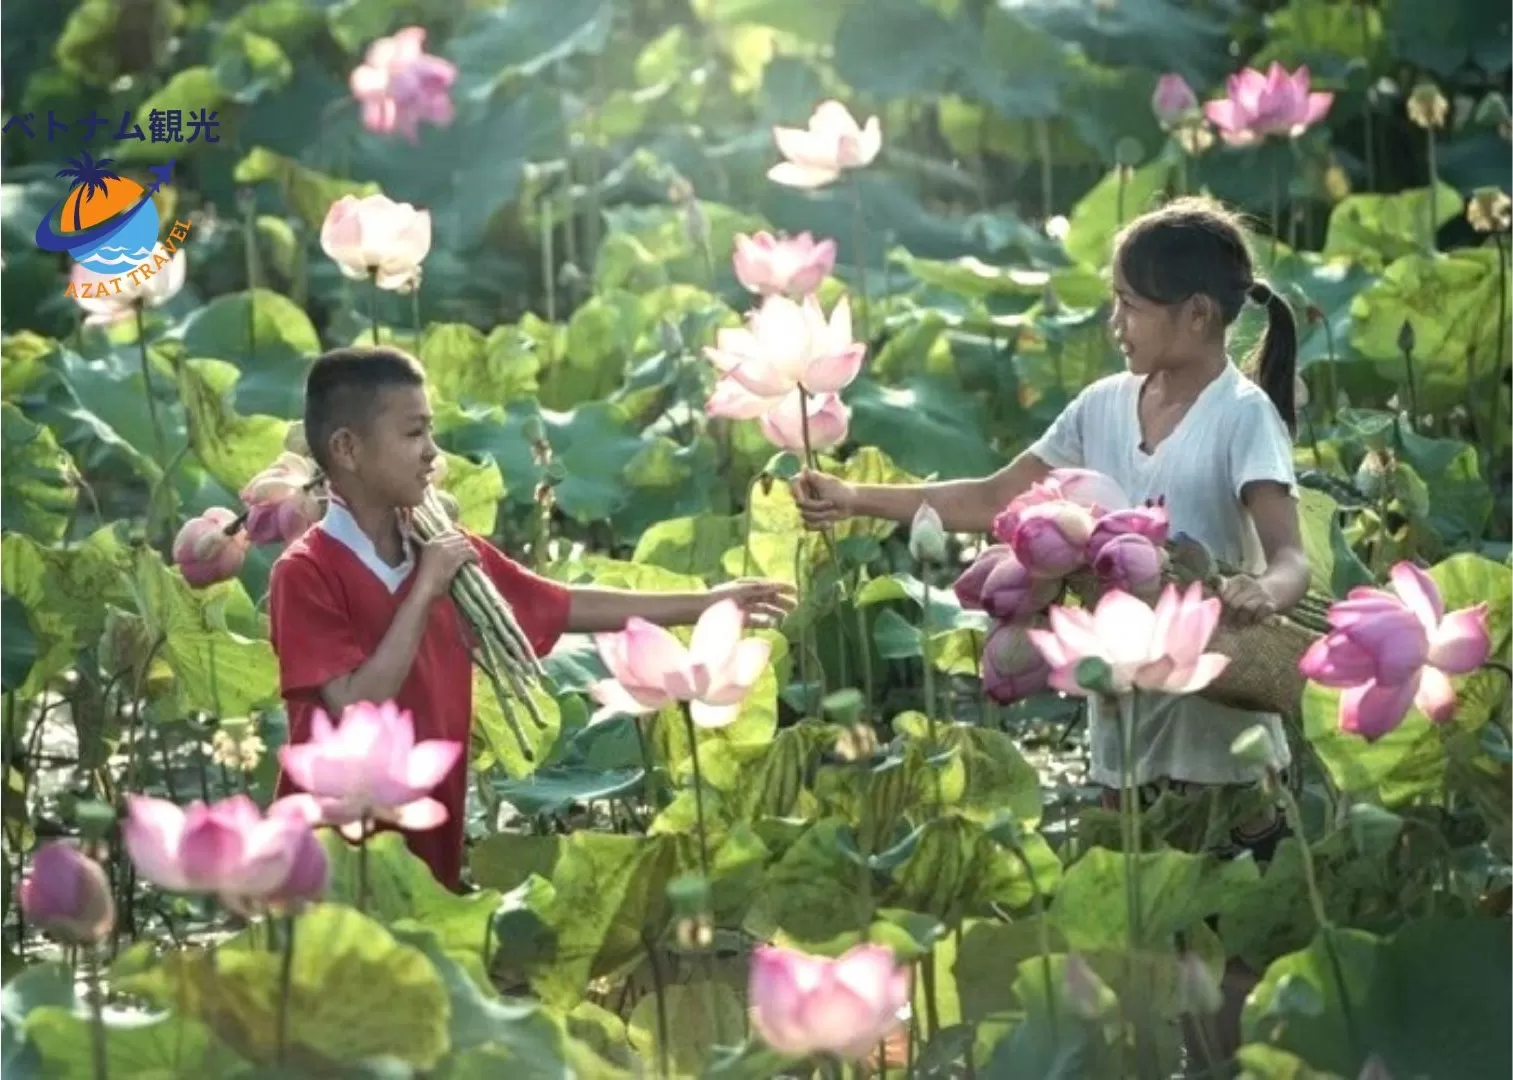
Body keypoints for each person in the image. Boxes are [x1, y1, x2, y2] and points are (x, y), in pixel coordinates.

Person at [792, 196, 1309, 1066]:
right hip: (1121, 721)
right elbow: (993, 499)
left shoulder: (1241, 414)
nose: (1114, 322)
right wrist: (854, 501)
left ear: (1196, 316)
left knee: (1227, 965)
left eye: (1129, 306)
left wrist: (1263, 585)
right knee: (1145, 954)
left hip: (1222, 725)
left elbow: (1291, 554)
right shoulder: (1103, 405)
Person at [269, 346, 796, 891]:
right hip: (327, 846)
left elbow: (565, 604)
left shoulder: (442, 549)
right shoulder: (306, 572)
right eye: (413, 434)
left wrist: (709, 602)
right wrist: (426, 588)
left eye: (432, 433)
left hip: (427, 827)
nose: (432, 453)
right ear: (347, 449)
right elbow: (356, 704)